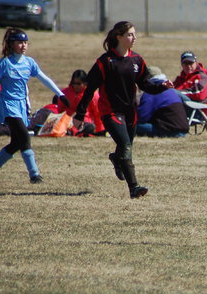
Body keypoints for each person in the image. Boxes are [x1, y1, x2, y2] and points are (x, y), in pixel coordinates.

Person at [73, 21, 173, 199]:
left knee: (126, 146)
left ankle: (116, 158)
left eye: (134, 34)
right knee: (125, 145)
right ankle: (134, 188)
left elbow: (145, 85)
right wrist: (80, 114)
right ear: (119, 37)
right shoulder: (105, 62)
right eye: (130, 34)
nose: (134, 38)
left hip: (130, 112)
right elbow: (89, 90)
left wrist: (162, 87)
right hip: (110, 111)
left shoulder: (137, 60)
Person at [0, 27, 69, 184]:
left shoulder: (29, 62)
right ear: (11, 44)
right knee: (25, 136)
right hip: (7, 104)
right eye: (20, 42)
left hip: (21, 105)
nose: (23, 45)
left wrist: (60, 94)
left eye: (26, 42)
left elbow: (44, 78)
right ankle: (34, 175)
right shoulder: (5, 63)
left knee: (16, 142)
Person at [136, 66, 189, 137]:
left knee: (133, 126)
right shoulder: (169, 89)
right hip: (182, 129)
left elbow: (143, 116)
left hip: (171, 130)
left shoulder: (152, 90)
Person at [56, 69, 105, 136]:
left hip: (84, 122)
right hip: (67, 122)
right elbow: (60, 111)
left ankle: (73, 132)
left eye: (79, 84)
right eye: (74, 83)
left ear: (85, 83)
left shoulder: (93, 95)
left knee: (89, 127)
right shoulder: (64, 93)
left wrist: (100, 131)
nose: (76, 86)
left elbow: (98, 115)